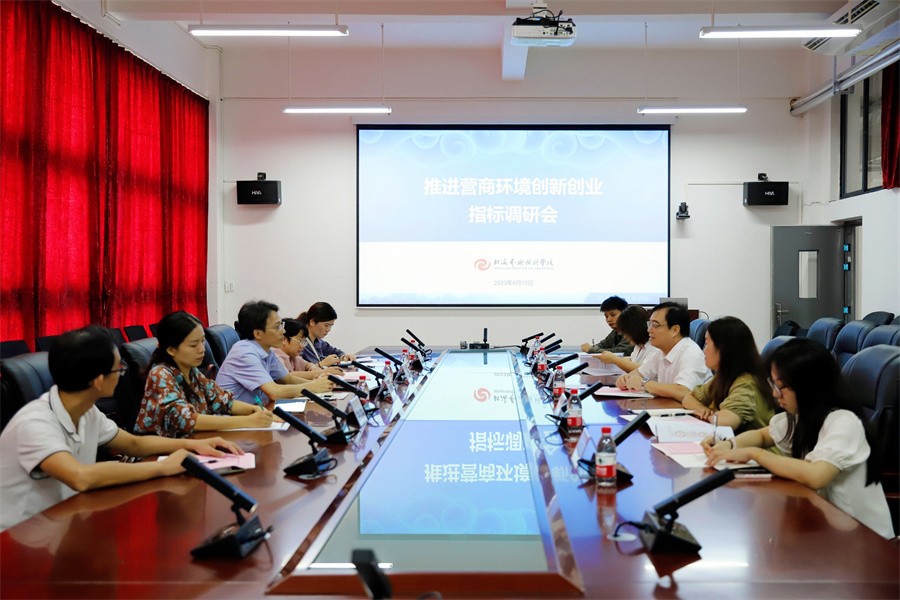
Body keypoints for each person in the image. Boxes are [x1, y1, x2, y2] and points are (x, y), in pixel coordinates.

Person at [0, 326, 241, 531]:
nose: (122, 374)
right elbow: (79, 477)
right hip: (19, 540)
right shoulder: (35, 422)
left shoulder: (87, 412)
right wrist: (163, 467)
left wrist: (194, 445)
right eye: (118, 369)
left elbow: (134, 443)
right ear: (98, 380)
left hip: (62, 524)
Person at [703, 338, 894, 539]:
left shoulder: (843, 421)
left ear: (807, 386)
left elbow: (816, 476)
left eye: (781, 387)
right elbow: (763, 435)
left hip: (867, 541)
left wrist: (755, 454)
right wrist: (728, 444)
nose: (775, 394)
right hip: (827, 528)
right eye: (773, 384)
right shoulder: (802, 416)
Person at [134, 311, 277, 437]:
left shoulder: (192, 371)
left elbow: (223, 401)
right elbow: (187, 419)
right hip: (163, 453)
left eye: (203, 341)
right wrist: (247, 421)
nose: (202, 349)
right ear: (171, 349)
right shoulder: (159, 374)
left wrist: (255, 410)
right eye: (193, 345)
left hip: (196, 443)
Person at [216, 300, 333, 405]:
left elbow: (287, 380)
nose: (284, 331)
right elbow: (275, 392)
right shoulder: (245, 354)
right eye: (277, 327)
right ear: (258, 333)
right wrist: (312, 386)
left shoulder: (266, 350)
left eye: (281, 325)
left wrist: (318, 383)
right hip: (236, 417)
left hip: (259, 409)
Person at [679, 316, 775, 433]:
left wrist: (710, 415)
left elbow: (726, 422)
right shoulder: (724, 376)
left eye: (707, 343)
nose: (704, 350)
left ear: (724, 349)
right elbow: (688, 398)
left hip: (748, 444)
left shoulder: (746, 383)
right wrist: (704, 411)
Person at [617, 301, 709, 400]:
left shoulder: (691, 353)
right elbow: (639, 373)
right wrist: (626, 379)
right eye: (649, 324)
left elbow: (684, 392)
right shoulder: (661, 352)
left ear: (675, 330)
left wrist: (644, 383)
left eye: (655, 325)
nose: (649, 330)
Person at [594, 305, 660, 373]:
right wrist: (612, 358)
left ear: (634, 329)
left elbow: (644, 370)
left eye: (626, 332)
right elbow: (631, 360)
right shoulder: (638, 345)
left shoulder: (654, 347)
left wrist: (614, 359)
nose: (625, 337)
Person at [273, 318, 343, 378]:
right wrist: (322, 371)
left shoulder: (294, 356)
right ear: (284, 340)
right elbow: (287, 376)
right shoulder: (276, 357)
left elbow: (307, 365)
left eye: (304, 342)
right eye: (300, 341)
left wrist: (313, 367)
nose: (302, 346)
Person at [299, 302, 355, 368]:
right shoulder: (300, 342)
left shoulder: (318, 341)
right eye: (326, 325)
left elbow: (336, 352)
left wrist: (344, 357)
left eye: (331, 325)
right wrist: (321, 364)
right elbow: (297, 371)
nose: (328, 329)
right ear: (312, 322)